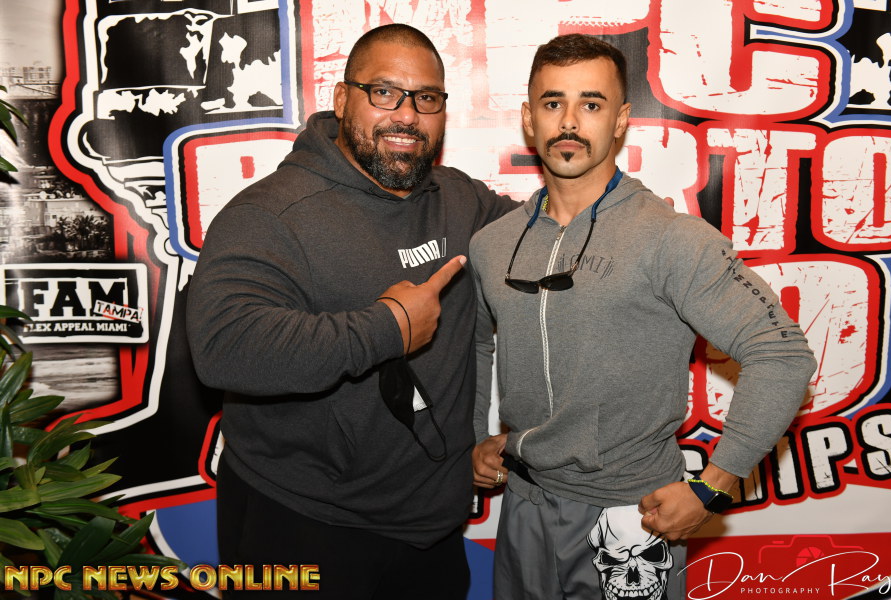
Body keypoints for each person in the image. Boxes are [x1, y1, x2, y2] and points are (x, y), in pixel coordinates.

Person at [469, 34, 817, 600]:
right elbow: (475, 345)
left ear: (621, 119)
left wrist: (714, 485)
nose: (569, 121)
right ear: (529, 119)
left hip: (632, 516)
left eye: (591, 103)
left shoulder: (671, 239)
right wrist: (476, 439)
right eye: (553, 103)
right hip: (524, 504)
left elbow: (781, 355)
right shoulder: (493, 243)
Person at [186, 24, 517, 599]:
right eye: (384, 93)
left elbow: (548, 230)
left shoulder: (459, 199)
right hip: (303, 523)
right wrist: (387, 328)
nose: (407, 115)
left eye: (426, 98)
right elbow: (224, 346)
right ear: (342, 99)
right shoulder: (271, 213)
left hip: (432, 527)